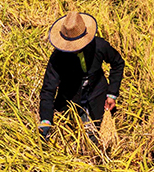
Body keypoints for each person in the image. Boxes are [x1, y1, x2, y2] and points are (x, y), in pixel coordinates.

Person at [38, 11, 125, 142]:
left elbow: (118, 63)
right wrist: (46, 120)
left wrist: (112, 93)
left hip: (97, 98)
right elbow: (48, 89)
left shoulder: (100, 46)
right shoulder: (58, 57)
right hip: (70, 102)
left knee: (98, 139)